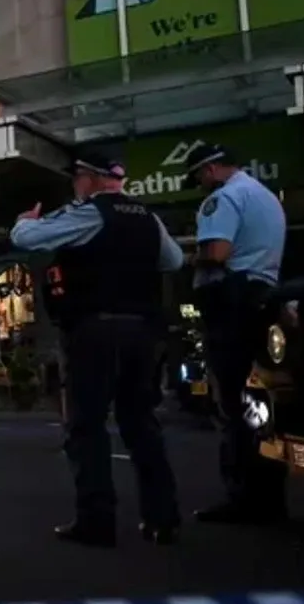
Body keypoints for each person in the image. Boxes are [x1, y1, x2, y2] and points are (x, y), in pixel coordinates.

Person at [9, 154, 183, 547]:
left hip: (95, 329)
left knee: (87, 425)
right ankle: (163, 516)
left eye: (77, 179)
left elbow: (25, 240)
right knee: (142, 424)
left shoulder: (90, 214)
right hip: (142, 331)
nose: (75, 186)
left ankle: (96, 519)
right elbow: (173, 260)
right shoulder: (147, 216)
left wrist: (26, 221)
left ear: (90, 179)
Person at [178, 142, 288, 524]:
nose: (199, 185)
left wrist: (191, 258)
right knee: (261, 402)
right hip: (263, 298)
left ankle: (241, 495)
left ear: (209, 171)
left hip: (232, 303)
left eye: (197, 178)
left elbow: (218, 252)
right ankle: (271, 495)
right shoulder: (264, 196)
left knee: (231, 403)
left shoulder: (222, 200)